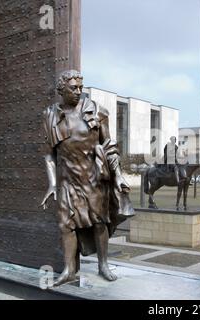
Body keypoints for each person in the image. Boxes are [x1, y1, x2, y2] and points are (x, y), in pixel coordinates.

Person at [40, 70, 134, 286]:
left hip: (93, 179)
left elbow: (109, 147)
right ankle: (69, 270)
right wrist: (52, 184)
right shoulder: (50, 115)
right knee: (66, 225)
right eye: (73, 88)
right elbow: (49, 154)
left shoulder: (97, 112)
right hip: (67, 181)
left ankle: (103, 265)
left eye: (81, 87)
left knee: (100, 222)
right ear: (61, 90)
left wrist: (118, 175)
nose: (79, 91)